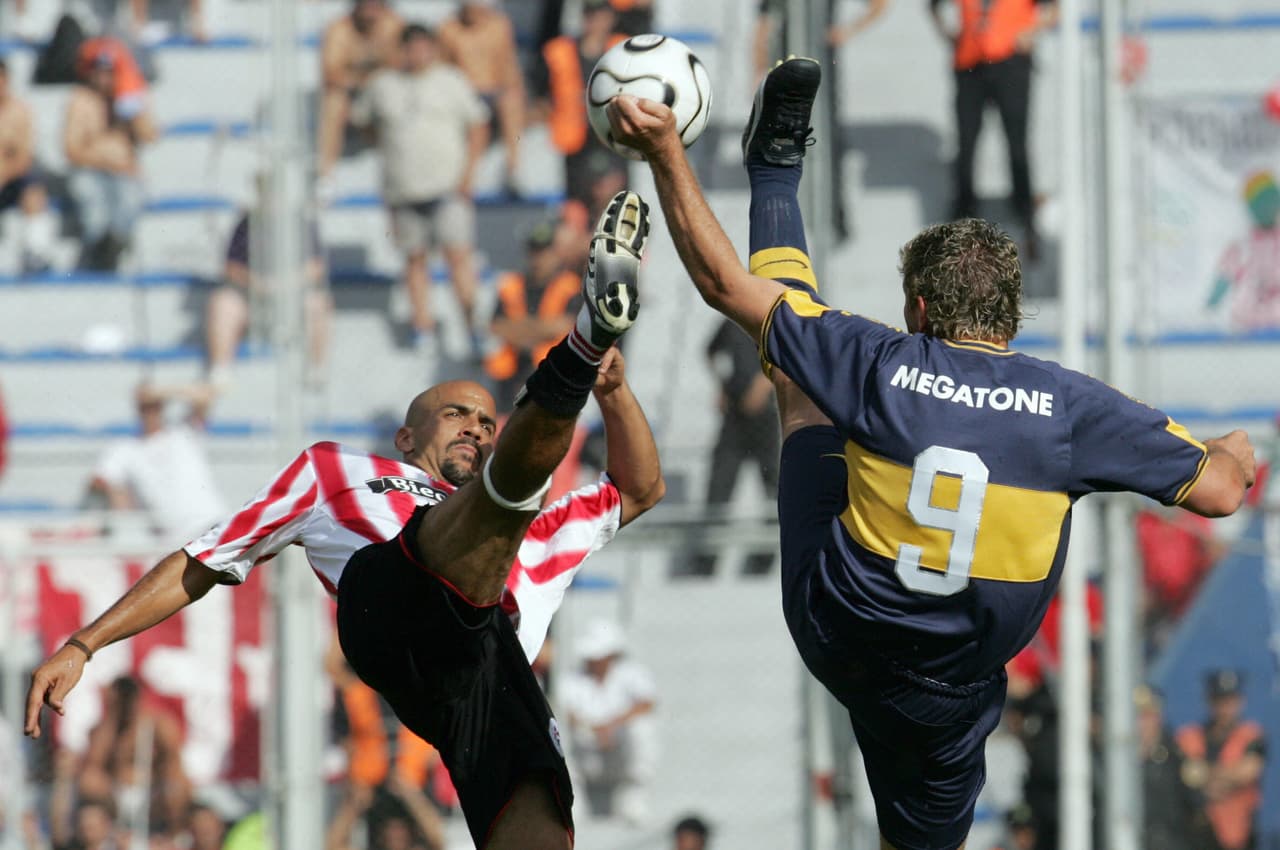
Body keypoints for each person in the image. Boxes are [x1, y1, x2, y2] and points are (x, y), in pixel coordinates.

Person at [606, 57, 1256, 850]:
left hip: (842, 623)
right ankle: (774, 169)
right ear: (1011, 317)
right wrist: (1234, 450)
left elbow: (722, 284)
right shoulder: (1071, 407)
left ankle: (774, 171)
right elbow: (1221, 492)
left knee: (798, 374)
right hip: (950, 686)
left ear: (917, 308)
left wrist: (666, 153)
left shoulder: (880, 360)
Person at [27, 190, 660, 850]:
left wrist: (615, 391)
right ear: (406, 438)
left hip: (483, 681)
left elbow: (640, 489)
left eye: (484, 421)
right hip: (389, 603)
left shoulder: (536, 539)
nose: (475, 426)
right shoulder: (334, 470)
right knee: (500, 504)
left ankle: (589, 349)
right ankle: (585, 339)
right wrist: (84, 644)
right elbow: (204, 559)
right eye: (455, 414)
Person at [351, 23, 488, 352]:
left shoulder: (451, 80)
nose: (417, 53)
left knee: (458, 257)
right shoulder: (383, 84)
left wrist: (468, 176)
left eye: (423, 46)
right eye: (411, 47)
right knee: (414, 259)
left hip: (448, 188)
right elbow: (364, 123)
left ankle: (472, 328)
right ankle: (422, 326)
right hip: (403, 190)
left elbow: (478, 125)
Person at [930, 0, 1058, 260]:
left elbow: (1054, 9)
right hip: (970, 64)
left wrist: (1031, 32)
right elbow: (934, 6)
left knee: (1017, 143)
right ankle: (962, 212)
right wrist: (950, 34)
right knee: (966, 143)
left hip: (1010, 62)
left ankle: (1024, 212)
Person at [205, 175, 331, 391]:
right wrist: (259, 283)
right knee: (222, 303)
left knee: (317, 303)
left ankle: (315, 369)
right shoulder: (247, 223)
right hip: (252, 297)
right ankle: (220, 369)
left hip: (294, 297)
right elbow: (230, 267)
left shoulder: (302, 222)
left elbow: (317, 266)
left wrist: (285, 284)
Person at [686, 316, 780, 577]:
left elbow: (788, 357)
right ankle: (707, 558)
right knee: (719, 484)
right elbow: (710, 352)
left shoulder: (770, 321)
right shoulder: (732, 322)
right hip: (734, 417)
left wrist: (763, 385)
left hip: (765, 417)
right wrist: (721, 386)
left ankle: (765, 556)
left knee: (773, 486)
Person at [86, 383, 226, 539]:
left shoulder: (183, 432)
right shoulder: (126, 448)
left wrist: (162, 391)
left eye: (155, 406)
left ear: (162, 407)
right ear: (138, 409)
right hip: (173, 538)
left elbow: (206, 397)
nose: (150, 412)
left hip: (211, 526)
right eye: (145, 407)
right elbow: (99, 480)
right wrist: (122, 499)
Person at [63, 45, 155, 271]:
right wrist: (106, 161)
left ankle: (115, 246)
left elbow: (150, 136)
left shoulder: (128, 97)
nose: (103, 78)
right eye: (98, 72)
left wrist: (133, 113)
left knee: (131, 195)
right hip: (90, 168)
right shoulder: (80, 100)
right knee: (89, 193)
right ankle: (99, 248)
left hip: (122, 172)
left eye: (108, 72)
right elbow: (71, 149)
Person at [559, 619, 658, 822]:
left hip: (620, 743)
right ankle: (571, 799)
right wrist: (593, 729)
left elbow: (647, 703)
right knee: (557, 732)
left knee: (642, 728)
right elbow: (566, 712)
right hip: (585, 742)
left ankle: (633, 798)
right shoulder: (572, 678)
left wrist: (612, 726)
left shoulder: (632, 674)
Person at [534, 0, 626, 211]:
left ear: (611, 19)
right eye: (590, 15)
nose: (595, 22)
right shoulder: (558, 51)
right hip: (574, 142)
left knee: (615, 203)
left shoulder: (623, 50)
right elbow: (540, 95)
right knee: (575, 209)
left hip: (612, 141)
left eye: (600, 16)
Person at [78, 676, 192, 842]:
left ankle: (173, 837)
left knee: (177, 788)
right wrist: (112, 720)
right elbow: (93, 765)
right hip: (116, 796)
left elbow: (174, 766)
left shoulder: (158, 724)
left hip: (152, 795)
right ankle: (111, 832)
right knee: (89, 781)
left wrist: (164, 789)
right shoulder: (106, 728)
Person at [486, 217, 581, 409]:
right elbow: (497, 326)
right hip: (512, 372)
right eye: (534, 251)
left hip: (553, 373)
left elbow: (566, 325)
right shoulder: (511, 284)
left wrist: (520, 328)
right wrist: (541, 329)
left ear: (555, 252)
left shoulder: (570, 285)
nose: (539, 257)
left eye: (544, 251)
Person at [438, 0, 526, 195]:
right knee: (479, 123)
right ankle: (467, 179)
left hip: (493, 91)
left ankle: (513, 168)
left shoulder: (499, 26)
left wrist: (513, 89)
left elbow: (508, 65)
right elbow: (444, 70)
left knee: (512, 102)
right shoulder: (448, 29)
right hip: (464, 93)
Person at [1175, 670, 1268, 850]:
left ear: (1241, 701)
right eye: (1220, 701)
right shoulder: (1190, 736)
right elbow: (1185, 774)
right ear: (1209, 701)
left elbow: (1246, 772)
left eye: (1230, 701)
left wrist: (1205, 776)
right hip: (1196, 835)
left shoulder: (1251, 736)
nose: (1225, 708)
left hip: (1237, 835)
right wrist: (1224, 775)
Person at [317, 0, 404, 179]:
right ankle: (325, 173)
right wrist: (362, 79)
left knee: (396, 95)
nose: (370, 11)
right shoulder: (338, 29)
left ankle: (400, 164)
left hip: (383, 90)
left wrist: (369, 78)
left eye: (375, 6)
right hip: (353, 91)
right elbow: (330, 74)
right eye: (366, 5)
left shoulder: (394, 25)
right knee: (333, 102)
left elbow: (400, 66)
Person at [0, 57, 56, 274]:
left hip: (12, 177)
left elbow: (24, 156)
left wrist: (4, 173)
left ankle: (36, 251)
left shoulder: (20, 111)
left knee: (33, 193)